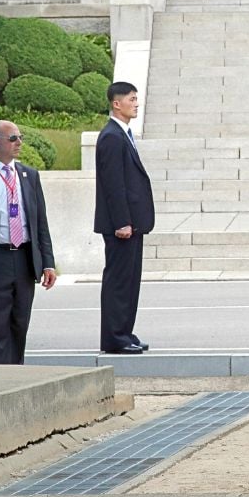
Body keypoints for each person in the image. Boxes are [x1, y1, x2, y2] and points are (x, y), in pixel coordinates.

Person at [0, 121, 56, 364]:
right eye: (13, 138)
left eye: (20, 137)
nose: (19, 143)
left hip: (24, 258)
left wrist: (48, 263)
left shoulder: (29, 175)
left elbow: (40, 222)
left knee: (19, 324)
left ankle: (16, 376)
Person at [95, 81, 155, 355]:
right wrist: (122, 222)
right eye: (131, 99)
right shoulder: (111, 136)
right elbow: (113, 184)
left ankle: (124, 332)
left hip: (134, 223)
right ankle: (114, 337)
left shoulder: (123, 134)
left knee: (130, 281)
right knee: (119, 281)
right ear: (116, 103)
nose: (136, 103)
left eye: (136, 98)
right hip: (122, 225)